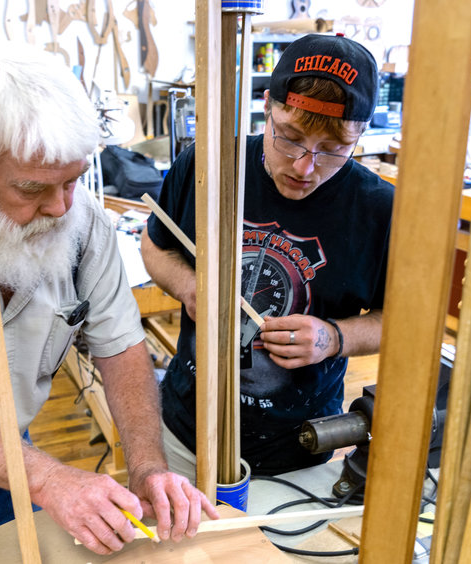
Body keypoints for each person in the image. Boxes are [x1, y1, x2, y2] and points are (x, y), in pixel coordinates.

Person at [0, 42, 216, 556]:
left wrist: (148, 465)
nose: (60, 208)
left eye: (73, 180)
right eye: (32, 189)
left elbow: (121, 349)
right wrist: (51, 481)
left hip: (8, 468)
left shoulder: (81, 220)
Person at [141, 34, 394, 478]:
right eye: (290, 138)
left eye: (333, 150)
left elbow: (402, 321)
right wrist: (190, 287)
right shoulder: (207, 165)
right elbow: (155, 244)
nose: (305, 166)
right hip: (185, 431)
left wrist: (333, 338)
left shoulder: (379, 210)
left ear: (362, 134)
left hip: (299, 448)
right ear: (266, 107)